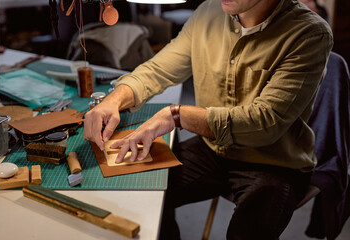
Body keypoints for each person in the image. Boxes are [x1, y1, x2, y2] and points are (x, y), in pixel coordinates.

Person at [84, 0, 333, 239]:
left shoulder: (309, 33)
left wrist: (177, 115)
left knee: (247, 233)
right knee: (150, 197)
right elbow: (157, 70)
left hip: (273, 161)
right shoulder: (208, 13)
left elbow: (264, 123)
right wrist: (113, 100)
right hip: (214, 148)